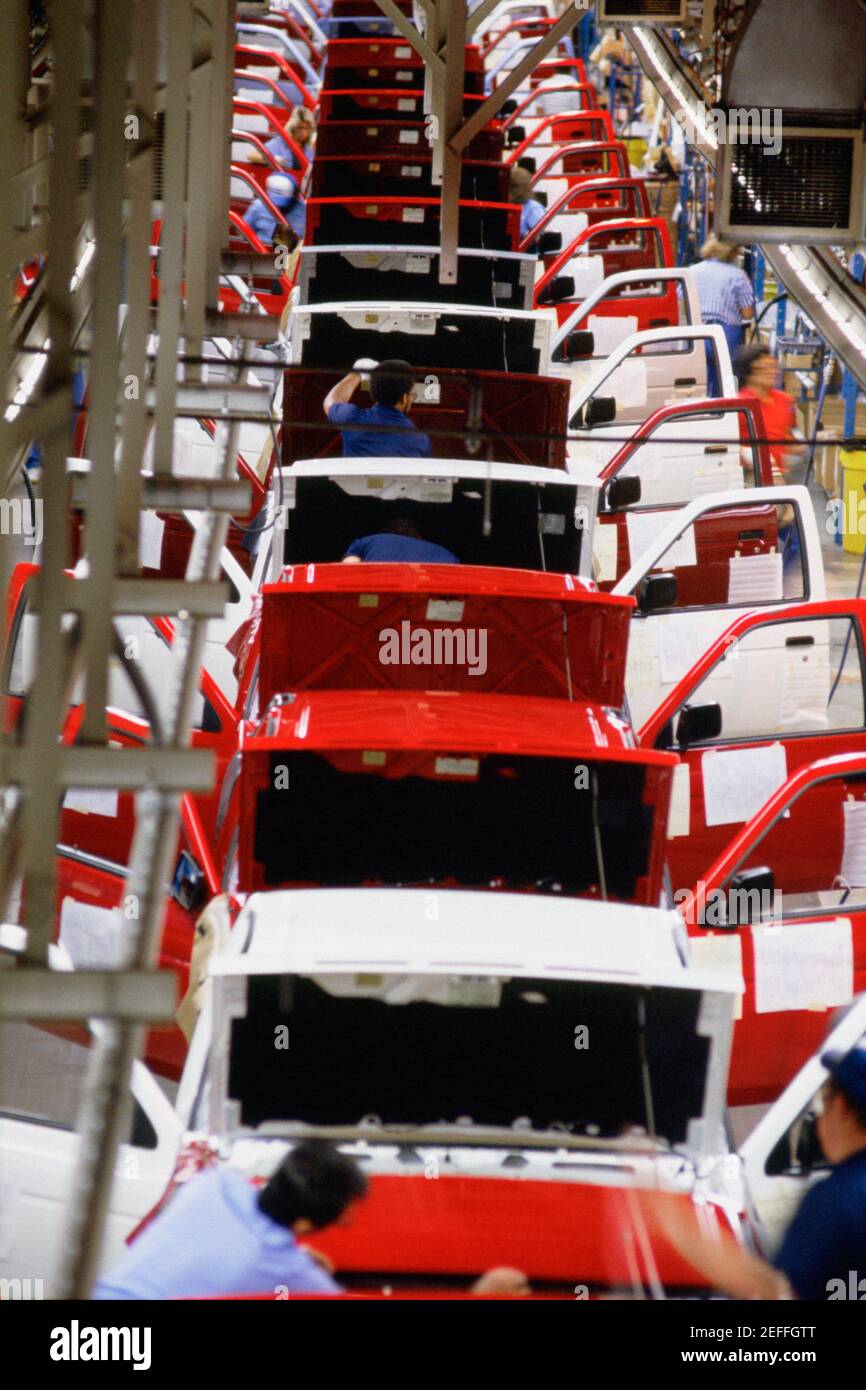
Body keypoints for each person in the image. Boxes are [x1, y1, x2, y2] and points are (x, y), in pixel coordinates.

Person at [649, 1036, 866, 1300]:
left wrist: (675, 1224)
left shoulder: (837, 1198)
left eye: (825, 1102)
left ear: (843, 1108)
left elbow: (776, 1291)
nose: (818, 1120)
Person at [92, 1141, 368, 1299]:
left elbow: (217, 1241)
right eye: (343, 1216)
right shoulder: (291, 1272)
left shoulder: (216, 1182)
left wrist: (295, 1253)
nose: (348, 1219)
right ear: (304, 1224)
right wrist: (294, 1260)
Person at [324, 358, 432, 459]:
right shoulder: (421, 440)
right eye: (412, 395)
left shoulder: (352, 419)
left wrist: (357, 373)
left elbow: (330, 402)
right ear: (404, 398)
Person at [690, 236, 755, 393]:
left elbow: (680, 303)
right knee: (726, 384)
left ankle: (704, 411)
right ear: (731, 252)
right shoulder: (738, 275)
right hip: (727, 335)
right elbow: (748, 314)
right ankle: (723, 413)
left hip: (697, 332)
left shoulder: (692, 271)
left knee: (702, 383)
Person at [735, 342, 800, 483]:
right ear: (749, 373)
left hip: (780, 475)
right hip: (752, 477)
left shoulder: (784, 400)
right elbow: (726, 444)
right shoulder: (739, 406)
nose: (772, 372)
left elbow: (787, 439)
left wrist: (816, 443)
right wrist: (748, 454)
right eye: (764, 368)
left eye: (773, 367)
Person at [343, 516, 459, 564]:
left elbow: (349, 568)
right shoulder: (447, 555)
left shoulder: (368, 541)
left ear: (387, 532)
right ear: (418, 536)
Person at [242, 172, 302, 246]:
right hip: (260, 249)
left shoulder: (303, 210)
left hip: (289, 252)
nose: (279, 207)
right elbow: (242, 232)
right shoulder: (258, 206)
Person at [509, 165, 546, 245]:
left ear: (527, 186)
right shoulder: (504, 206)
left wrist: (524, 234)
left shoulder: (534, 208)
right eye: (511, 186)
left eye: (515, 186)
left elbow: (539, 239)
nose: (513, 190)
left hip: (525, 253)